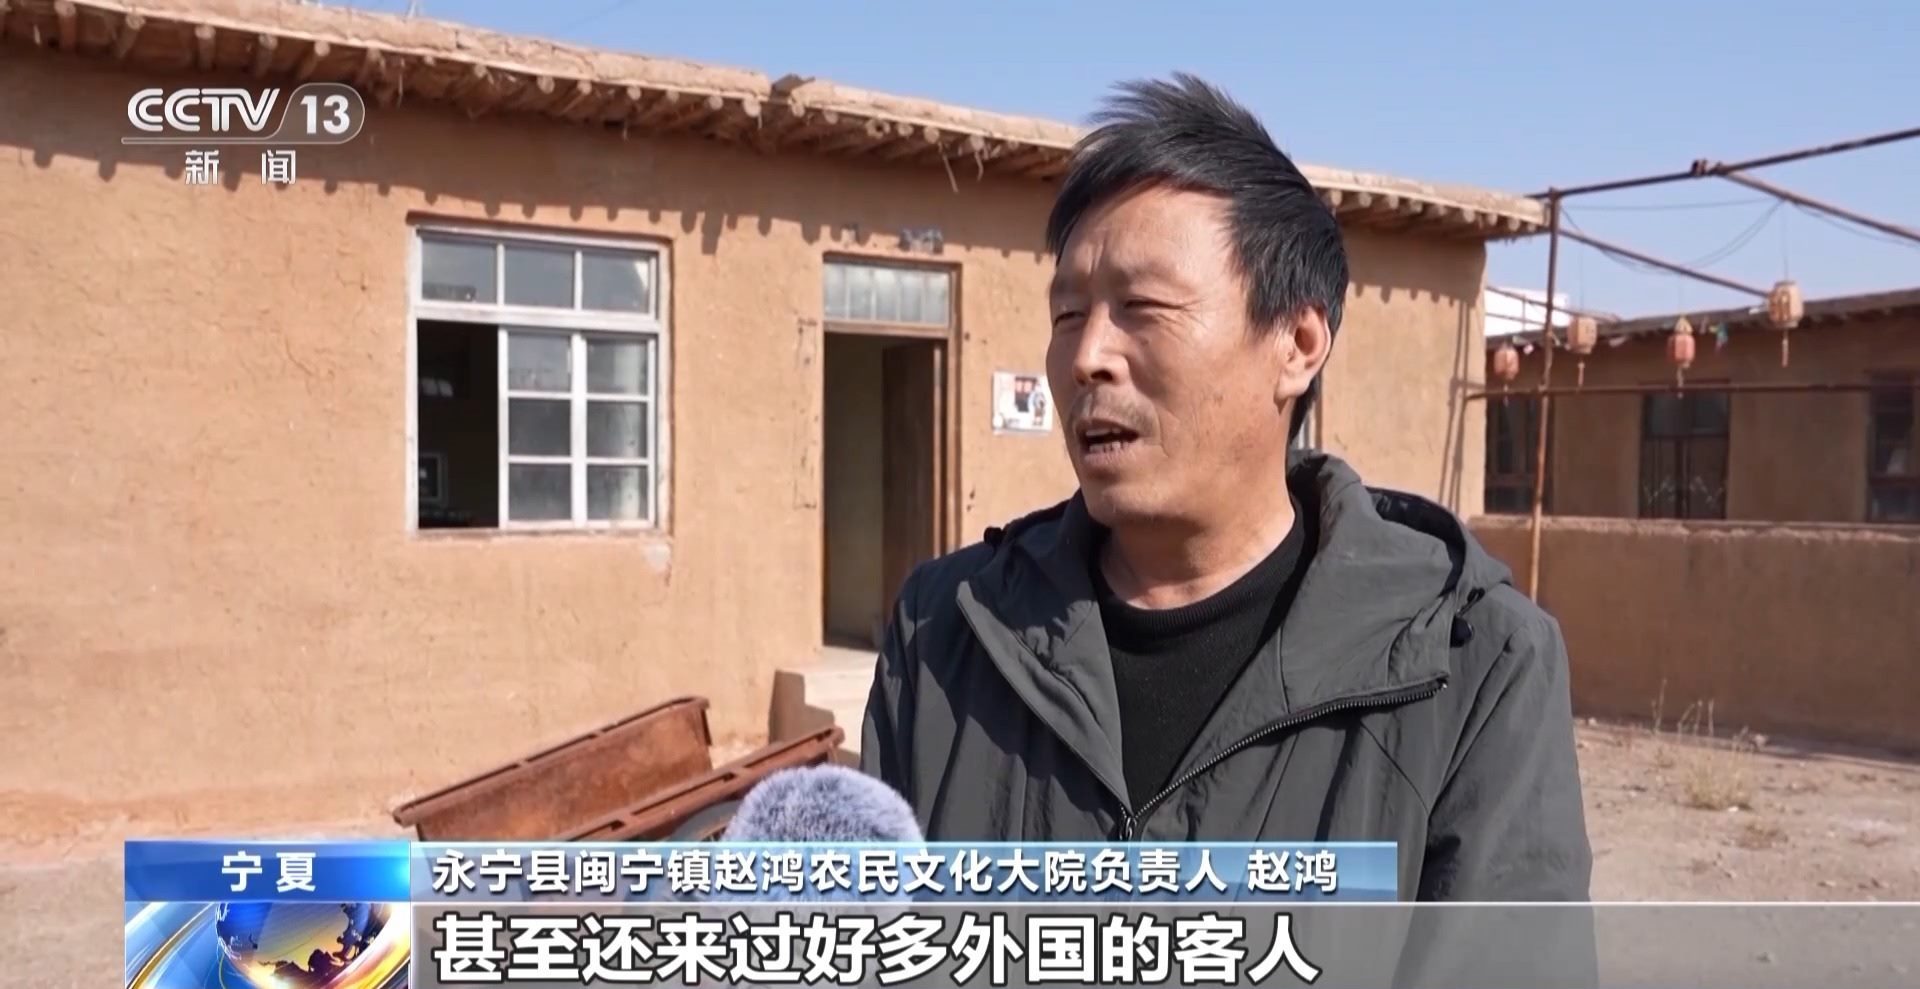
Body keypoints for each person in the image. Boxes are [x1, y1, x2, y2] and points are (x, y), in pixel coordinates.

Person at [860, 74, 1592, 903]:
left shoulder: (1471, 665)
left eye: (1142, 305)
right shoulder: (946, 631)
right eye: (1067, 315)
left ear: (1297, 343)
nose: (1088, 356)